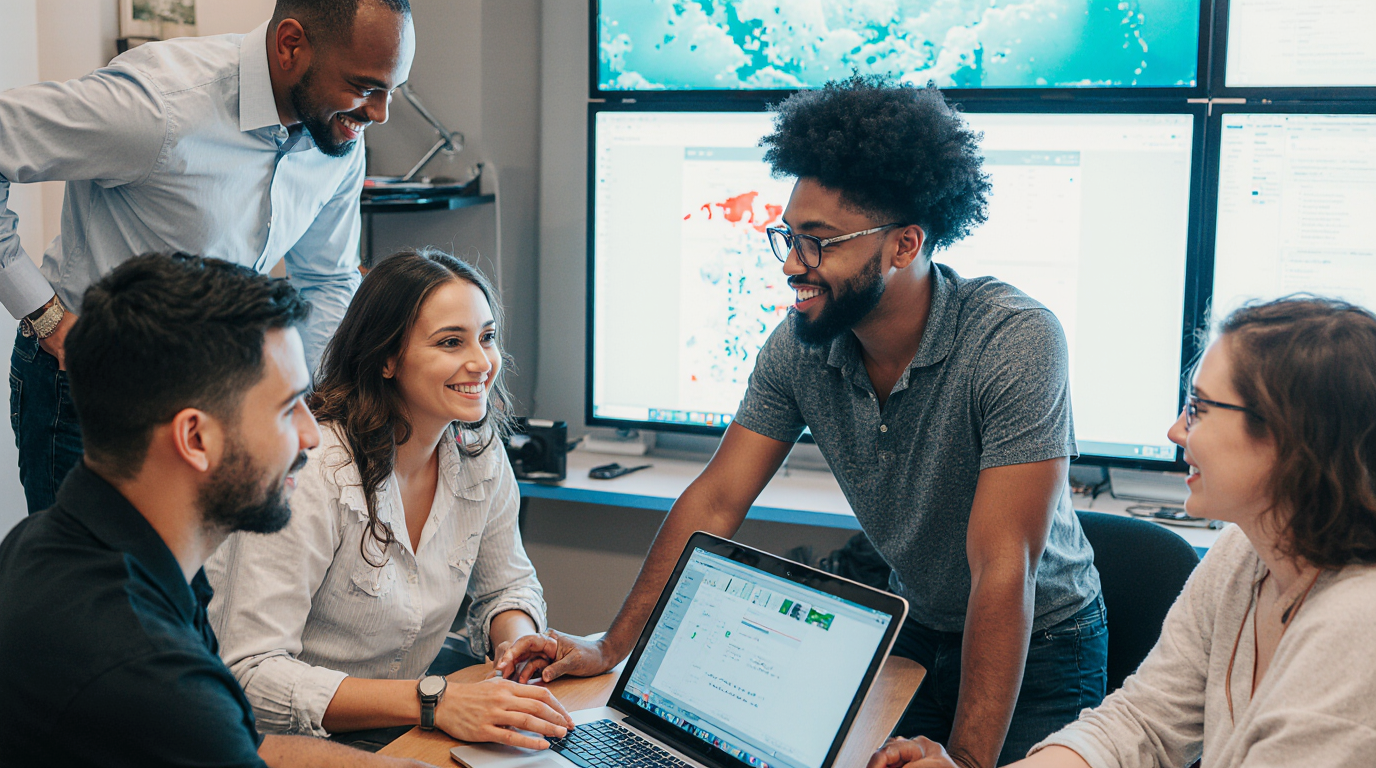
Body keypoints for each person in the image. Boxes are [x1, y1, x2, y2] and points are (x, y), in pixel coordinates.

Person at [500, 75, 1105, 768]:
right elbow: (717, 498)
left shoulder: (1014, 341)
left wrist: (965, 762)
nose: (792, 263)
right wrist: (611, 647)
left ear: (905, 245)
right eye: (789, 236)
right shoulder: (799, 346)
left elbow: (1004, 567)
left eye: (819, 242)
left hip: (1040, 642)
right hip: (918, 622)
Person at [870, 297, 1376, 768]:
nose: (1177, 431)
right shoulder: (1244, 553)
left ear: (1290, 437)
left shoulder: (1355, 631)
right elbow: (1141, 723)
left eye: (1199, 408)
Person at [0, 253, 424, 767]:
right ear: (196, 437)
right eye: (288, 407)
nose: (311, 435)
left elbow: (248, 749)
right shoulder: (153, 677)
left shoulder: (49, 542)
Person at [0, 0, 416, 513]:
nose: (379, 114)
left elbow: (327, 279)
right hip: (91, 393)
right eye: (364, 87)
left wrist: (303, 410)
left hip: (218, 401)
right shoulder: (159, 105)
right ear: (291, 46)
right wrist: (43, 312)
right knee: (91, 588)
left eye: (392, 90)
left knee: (194, 591)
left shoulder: (338, 137)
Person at [207, 249, 572, 751]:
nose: (481, 362)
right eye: (450, 342)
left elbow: (507, 584)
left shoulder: (477, 451)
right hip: (289, 746)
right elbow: (249, 677)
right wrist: (434, 701)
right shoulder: (315, 469)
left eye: (486, 337)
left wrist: (516, 644)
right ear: (386, 358)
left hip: (407, 725)